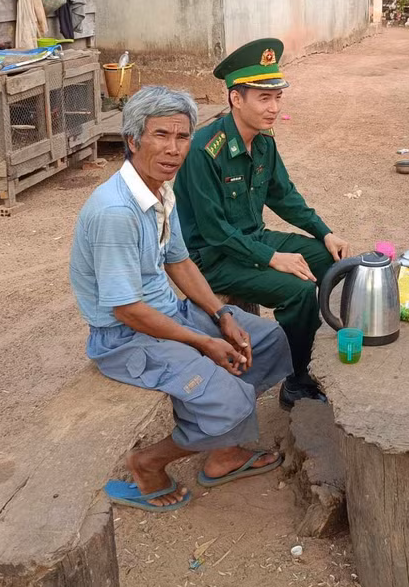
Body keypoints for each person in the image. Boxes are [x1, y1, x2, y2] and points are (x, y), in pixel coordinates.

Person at [70, 87, 293, 512]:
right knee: (231, 395)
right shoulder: (116, 212)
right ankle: (147, 464)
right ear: (133, 141)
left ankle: (223, 450)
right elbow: (127, 310)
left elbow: (181, 261)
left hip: (168, 316)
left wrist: (222, 315)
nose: (173, 149)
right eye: (160, 136)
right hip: (126, 338)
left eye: (182, 137)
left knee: (265, 341)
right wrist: (202, 342)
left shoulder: (159, 190)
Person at [174, 38, 350, 411]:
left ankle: (319, 345)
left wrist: (325, 231)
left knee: (328, 260)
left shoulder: (264, 143)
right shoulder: (206, 150)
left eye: (278, 98)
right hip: (212, 259)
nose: (273, 108)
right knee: (298, 291)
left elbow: (285, 196)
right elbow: (215, 232)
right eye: (263, 98)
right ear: (236, 99)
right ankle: (296, 379)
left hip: (251, 241)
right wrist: (273, 258)